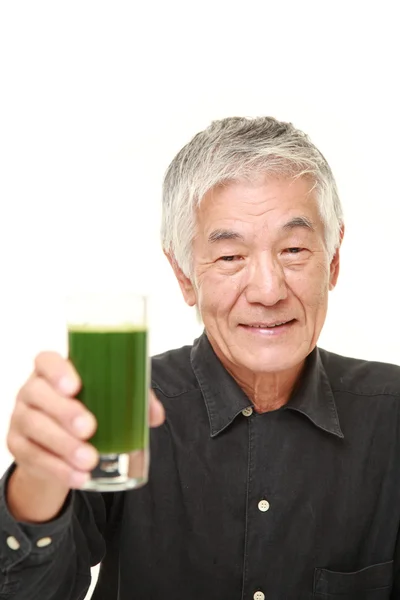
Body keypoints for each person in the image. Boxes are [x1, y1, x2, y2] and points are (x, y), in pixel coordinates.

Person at [1, 116, 399, 600]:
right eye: (231, 257)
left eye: (294, 249)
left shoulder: (391, 414)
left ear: (333, 260)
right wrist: (39, 478)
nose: (268, 290)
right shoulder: (119, 410)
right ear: (185, 275)